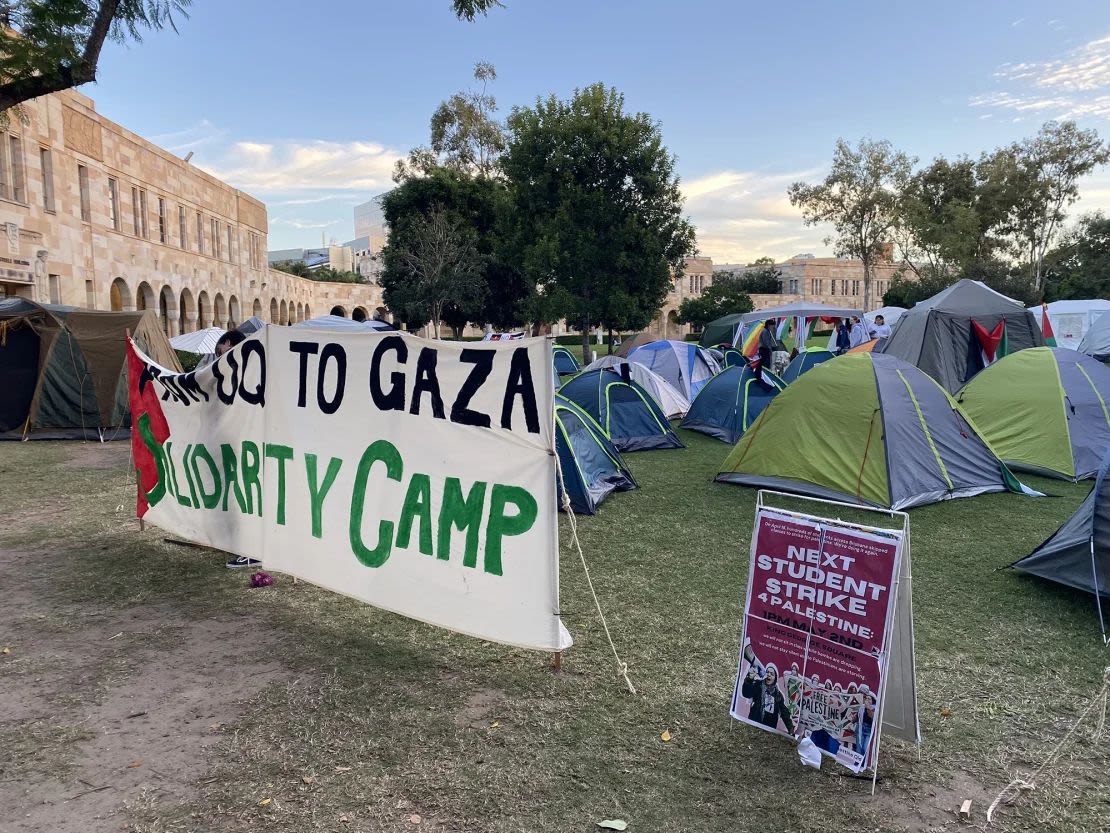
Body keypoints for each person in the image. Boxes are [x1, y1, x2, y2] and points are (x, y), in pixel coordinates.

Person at [213, 329, 261, 570]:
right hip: (245, 443)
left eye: (221, 350)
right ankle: (249, 546)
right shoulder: (245, 369)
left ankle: (252, 549)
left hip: (250, 444)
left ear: (230, 344)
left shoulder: (244, 371)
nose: (218, 356)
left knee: (248, 495)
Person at [741, 663, 796, 734]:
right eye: (767, 672)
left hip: (769, 730)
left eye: (772, 674)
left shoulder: (778, 695)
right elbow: (746, 694)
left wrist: (790, 729)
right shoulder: (758, 685)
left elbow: (784, 712)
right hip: (754, 724)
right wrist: (749, 679)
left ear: (775, 678)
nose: (769, 675)